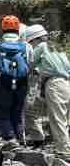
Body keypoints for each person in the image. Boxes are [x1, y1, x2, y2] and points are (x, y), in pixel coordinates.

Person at [26, 25, 70, 158]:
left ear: (34, 40)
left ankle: (64, 152)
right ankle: (66, 147)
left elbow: (30, 63)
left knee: (57, 119)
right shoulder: (57, 46)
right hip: (67, 82)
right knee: (67, 118)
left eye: (30, 43)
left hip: (54, 84)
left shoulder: (40, 47)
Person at [0, 15, 30, 150]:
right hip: (22, 83)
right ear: (18, 29)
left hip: (3, 82)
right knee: (17, 111)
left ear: (3, 28)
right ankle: (20, 138)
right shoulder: (26, 46)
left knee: (2, 111)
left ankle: (10, 138)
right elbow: (30, 62)